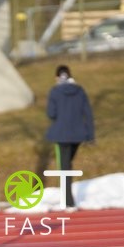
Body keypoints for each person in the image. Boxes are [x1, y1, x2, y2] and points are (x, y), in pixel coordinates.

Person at [45, 64, 95, 210]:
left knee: (64, 168)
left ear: (57, 77)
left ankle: (68, 202)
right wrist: (90, 135)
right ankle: (68, 199)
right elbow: (88, 113)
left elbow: (51, 114)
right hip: (78, 135)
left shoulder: (55, 92)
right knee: (68, 165)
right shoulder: (80, 91)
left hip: (61, 135)